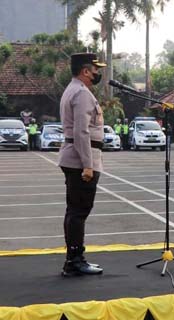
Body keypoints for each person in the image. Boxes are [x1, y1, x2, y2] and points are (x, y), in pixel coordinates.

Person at [58, 53, 106, 276]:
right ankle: (75, 260)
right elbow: (81, 131)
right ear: (86, 71)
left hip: (74, 158)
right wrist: (88, 165)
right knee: (79, 211)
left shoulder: (73, 89)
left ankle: (74, 258)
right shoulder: (82, 93)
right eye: (95, 70)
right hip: (81, 161)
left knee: (75, 211)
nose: (98, 73)